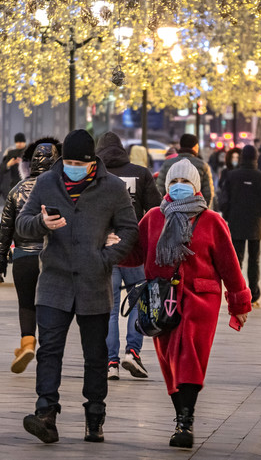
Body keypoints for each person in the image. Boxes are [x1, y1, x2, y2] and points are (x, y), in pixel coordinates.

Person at [16, 129, 138, 444]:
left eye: (77, 162)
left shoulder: (112, 188)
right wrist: (43, 224)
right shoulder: (46, 183)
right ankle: (46, 414)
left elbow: (129, 229)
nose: (71, 166)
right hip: (54, 282)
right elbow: (22, 224)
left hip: (94, 283)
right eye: (67, 161)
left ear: (90, 162)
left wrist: (106, 258)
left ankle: (95, 416)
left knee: (96, 355)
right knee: (49, 350)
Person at [121, 158, 251, 448]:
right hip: (161, 300)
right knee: (169, 361)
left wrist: (239, 304)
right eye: (174, 182)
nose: (180, 187)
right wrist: (111, 246)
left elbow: (230, 266)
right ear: (166, 186)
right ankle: (181, 414)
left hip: (200, 299)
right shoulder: (154, 217)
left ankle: (185, 422)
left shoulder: (212, 220)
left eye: (186, 183)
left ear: (197, 187)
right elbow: (135, 254)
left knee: (190, 354)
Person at [95, 131, 162, 380]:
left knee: (110, 309)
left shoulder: (95, 174)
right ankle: (132, 352)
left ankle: (110, 361)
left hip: (106, 250)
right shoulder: (141, 173)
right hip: (135, 250)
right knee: (138, 300)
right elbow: (155, 210)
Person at [0, 138, 61, 374]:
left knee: (26, 303)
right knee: (49, 304)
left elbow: (5, 228)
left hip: (23, 256)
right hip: (53, 257)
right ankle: (47, 349)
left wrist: (0, 260)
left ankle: (27, 343)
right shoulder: (60, 189)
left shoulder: (16, 191)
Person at [218, 146, 261, 307]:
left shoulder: (232, 176)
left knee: (237, 259)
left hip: (236, 222)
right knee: (254, 260)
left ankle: (238, 291)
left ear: (242, 157)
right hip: (256, 224)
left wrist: (229, 216)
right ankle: (254, 293)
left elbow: (223, 200)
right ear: (256, 157)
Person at [156, 134, 216, 207]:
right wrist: (203, 209)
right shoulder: (202, 165)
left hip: (170, 208)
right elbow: (208, 192)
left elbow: (159, 189)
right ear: (195, 147)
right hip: (195, 208)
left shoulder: (168, 163)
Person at [0, 133, 27, 200]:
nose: (19, 144)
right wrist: (8, 164)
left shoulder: (29, 152)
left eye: (21, 141)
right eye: (17, 142)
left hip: (26, 186)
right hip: (12, 186)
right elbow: (1, 171)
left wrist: (23, 163)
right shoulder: (11, 154)